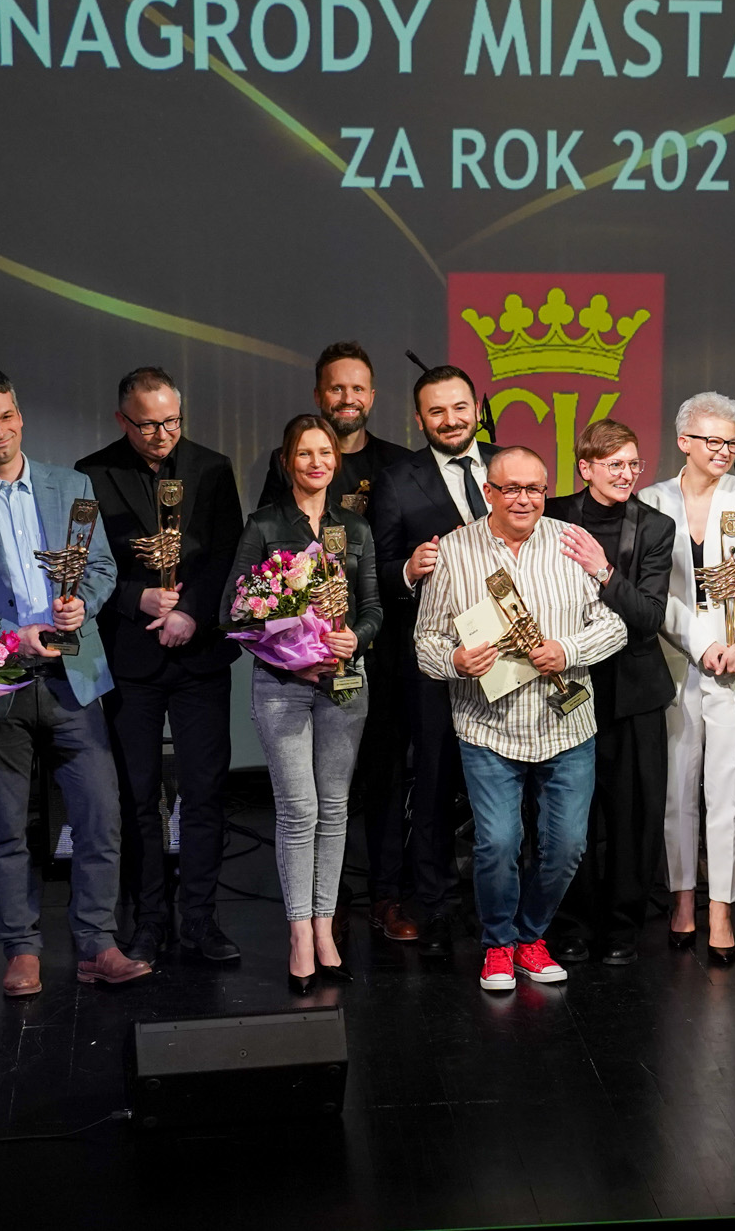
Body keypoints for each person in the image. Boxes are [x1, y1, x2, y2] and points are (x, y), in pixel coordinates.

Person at [0, 368, 148, 995]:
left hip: (74, 677)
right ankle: (20, 950)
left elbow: (101, 567)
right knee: (5, 826)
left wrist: (85, 604)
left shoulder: (71, 485)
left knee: (100, 817)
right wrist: (9, 635)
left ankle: (97, 944)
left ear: (20, 415)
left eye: (6, 416)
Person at [414, 447, 627, 991]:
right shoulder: (454, 552)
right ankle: (498, 944)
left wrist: (568, 650)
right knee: (497, 845)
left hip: (566, 726)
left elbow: (614, 626)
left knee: (568, 847)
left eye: (534, 488)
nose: (524, 499)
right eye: (511, 488)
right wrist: (455, 661)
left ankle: (531, 936)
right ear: (489, 492)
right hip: (488, 727)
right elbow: (425, 641)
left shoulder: (571, 543)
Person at [77, 367, 244, 966]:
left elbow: (229, 554)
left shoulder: (212, 467)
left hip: (199, 654)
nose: (162, 434)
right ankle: (149, 919)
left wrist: (191, 612)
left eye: (172, 421)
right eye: (148, 425)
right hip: (131, 657)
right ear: (122, 420)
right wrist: (135, 598)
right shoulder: (92, 474)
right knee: (136, 795)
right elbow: (82, 562)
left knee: (203, 792)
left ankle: (199, 917)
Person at [260, 342, 414, 945]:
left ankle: (387, 894)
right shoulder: (290, 466)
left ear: (372, 396)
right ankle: (332, 902)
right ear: (318, 395)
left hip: (378, 647)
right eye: (335, 388)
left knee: (383, 776)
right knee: (322, 794)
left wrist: (363, 632)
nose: (347, 399)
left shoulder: (398, 463)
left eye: (357, 389)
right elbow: (269, 571)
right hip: (306, 662)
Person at [223, 415, 382, 993]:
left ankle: (324, 928)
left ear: (337, 460)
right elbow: (234, 611)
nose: (317, 463)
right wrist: (294, 658)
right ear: (287, 461)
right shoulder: (265, 525)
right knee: (299, 811)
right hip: (282, 687)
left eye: (325, 453)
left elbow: (373, 608)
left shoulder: (355, 527)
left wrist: (355, 639)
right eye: (305, 453)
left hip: (345, 683)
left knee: (335, 810)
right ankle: (298, 934)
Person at [367, 364, 500, 958]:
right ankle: (435, 903)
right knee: (436, 781)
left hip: (512, 653)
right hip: (435, 659)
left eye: (459, 407)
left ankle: (500, 905)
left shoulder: (506, 466)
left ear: (477, 409)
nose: (450, 420)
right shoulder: (398, 480)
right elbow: (378, 569)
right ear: (419, 420)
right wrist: (406, 570)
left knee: (506, 782)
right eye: (436, 411)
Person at [641, 392, 735, 964]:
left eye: (731, 441)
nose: (724, 451)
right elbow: (655, 593)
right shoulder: (651, 500)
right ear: (684, 442)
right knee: (677, 791)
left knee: (729, 791)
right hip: (675, 659)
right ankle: (682, 900)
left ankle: (722, 909)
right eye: (712, 440)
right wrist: (701, 643)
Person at [544, 419, 675, 965]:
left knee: (631, 815)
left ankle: (623, 927)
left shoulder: (656, 526)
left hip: (633, 692)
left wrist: (603, 571)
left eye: (633, 464)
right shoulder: (552, 515)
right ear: (586, 467)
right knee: (569, 815)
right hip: (565, 686)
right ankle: (570, 925)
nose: (627, 474)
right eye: (615, 464)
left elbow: (648, 617)